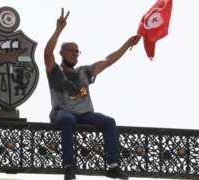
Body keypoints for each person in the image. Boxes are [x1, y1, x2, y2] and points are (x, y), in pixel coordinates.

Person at [44, 8, 141, 180]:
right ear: (62, 53)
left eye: (77, 52)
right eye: (71, 51)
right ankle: (69, 167)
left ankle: (113, 166)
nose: (75, 54)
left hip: (85, 114)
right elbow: (47, 53)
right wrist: (58, 29)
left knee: (109, 122)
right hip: (62, 111)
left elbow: (109, 60)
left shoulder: (84, 72)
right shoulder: (55, 71)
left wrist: (127, 44)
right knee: (68, 119)